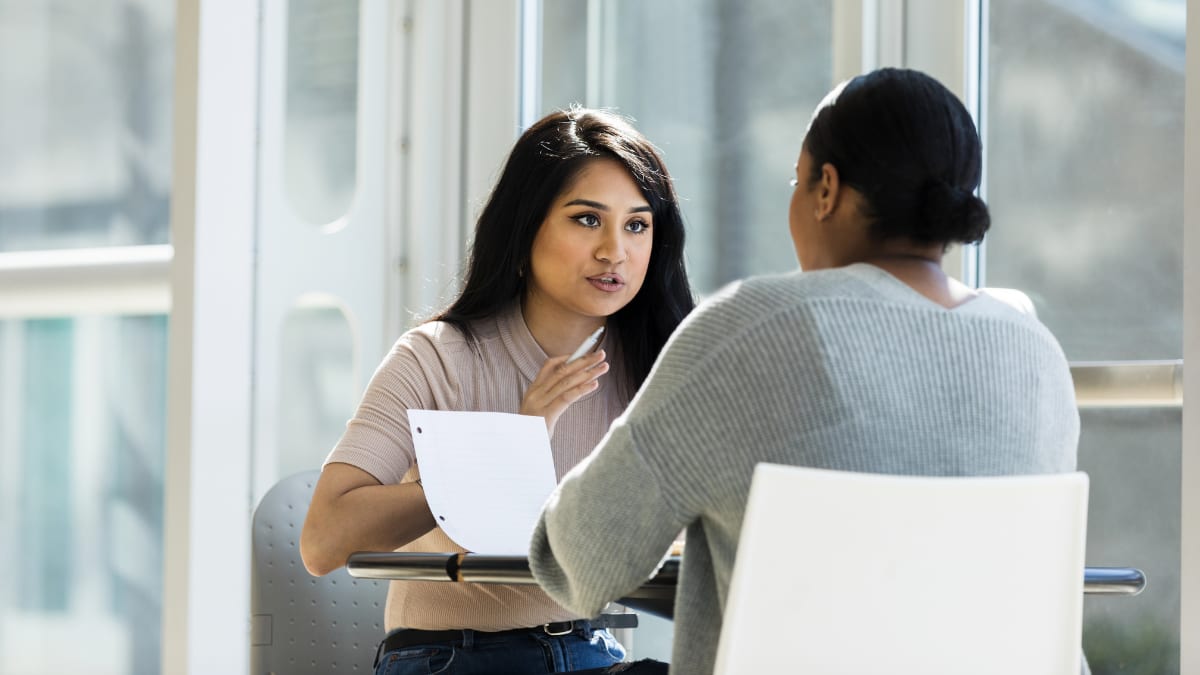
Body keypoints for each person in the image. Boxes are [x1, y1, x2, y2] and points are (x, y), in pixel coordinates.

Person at [529, 68, 1085, 675]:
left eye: (797, 179)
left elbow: (578, 562)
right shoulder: (1034, 352)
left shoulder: (752, 328)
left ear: (826, 189)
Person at [300, 107, 695, 675]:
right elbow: (323, 540)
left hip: (594, 650)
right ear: (525, 226)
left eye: (637, 225)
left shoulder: (658, 368)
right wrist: (507, 447)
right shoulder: (437, 357)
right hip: (452, 656)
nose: (615, 251)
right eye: (587, 220)